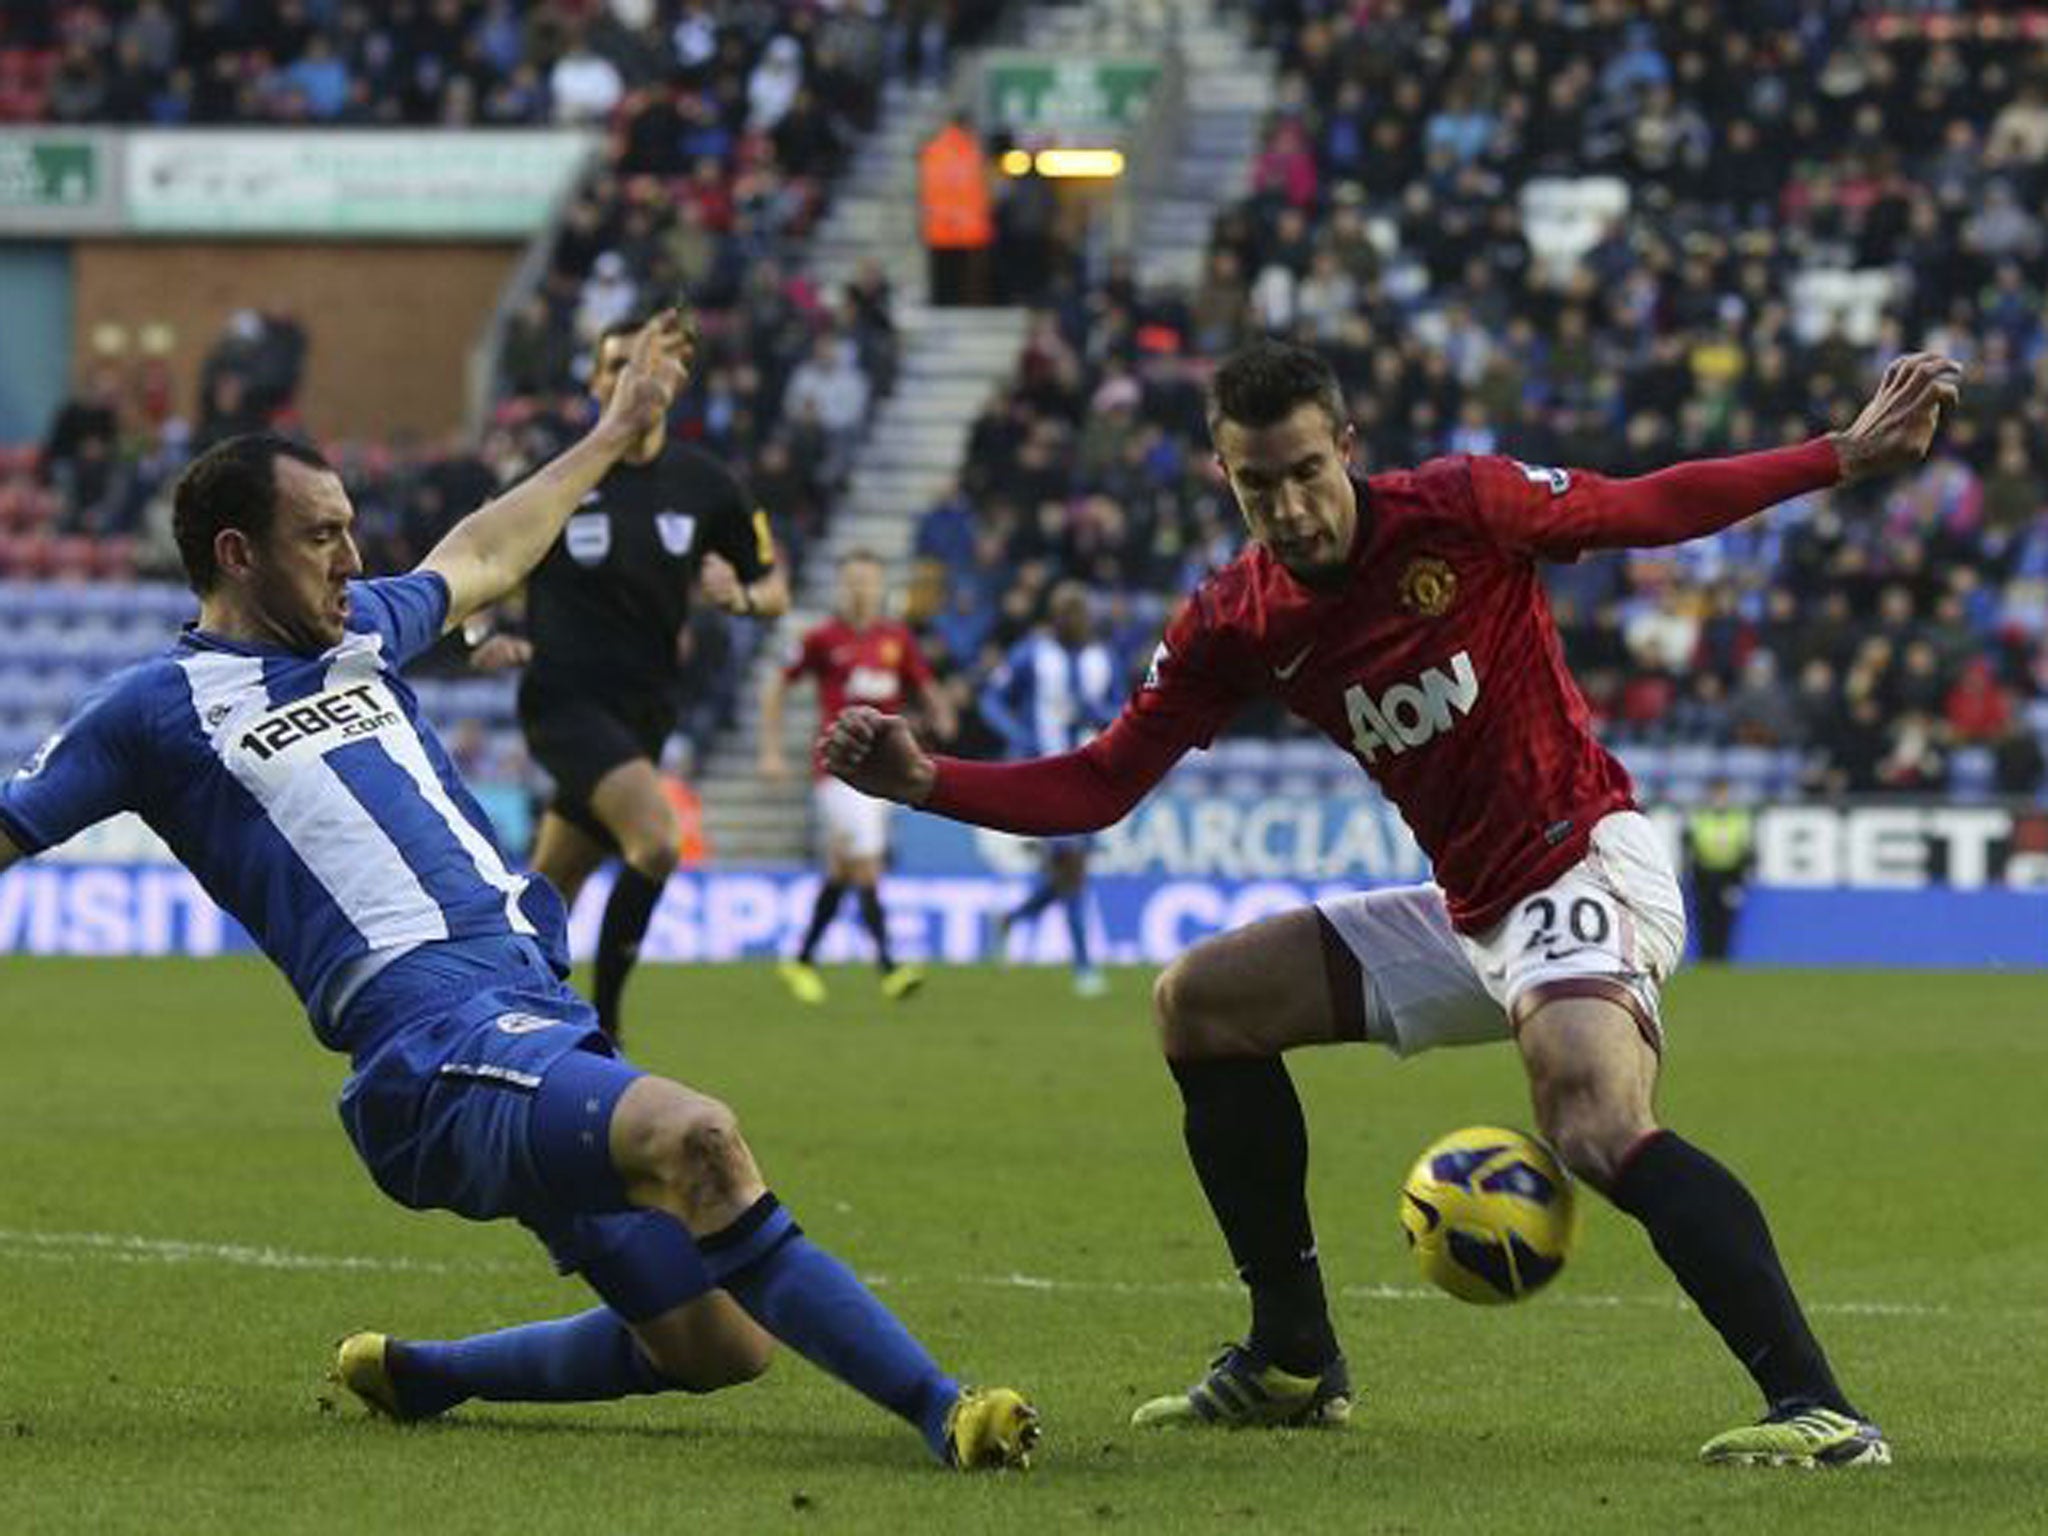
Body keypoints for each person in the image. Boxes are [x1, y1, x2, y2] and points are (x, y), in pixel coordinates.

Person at [826, 338, 1962, 1469]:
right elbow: (1099, 781)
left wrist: (1840, 457)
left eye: (1303, 471)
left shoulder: (1461, 508)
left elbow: (1646, 506)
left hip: (1581, 863)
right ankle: (1290, 1359)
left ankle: (1816, 1408)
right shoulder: (1235, 620)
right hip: (1470, 908)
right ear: (1223, 478)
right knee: (1200, 1004)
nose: (1286, 506)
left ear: (1346, 451)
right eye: (1253, 483)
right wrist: (930, 782)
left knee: (1590, 1121)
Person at [0, 313, 1037, 1472]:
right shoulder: (157, 708)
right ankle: (949, 1413)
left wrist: (612, 433)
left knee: (717, 1342)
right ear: (236, 554)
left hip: (534, 1009)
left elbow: (487, 551)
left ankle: (427, 1376)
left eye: (352, 531)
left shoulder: (359, 635)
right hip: (431, 1047)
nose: (353, 560)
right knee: (698, 1141)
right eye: (322, 537)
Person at [493, 311, 790, 1046]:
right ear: (597, 384)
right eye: (617, 363)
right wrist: (477, 636)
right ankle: (607, 1031)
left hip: (648, 713)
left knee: (547, 889)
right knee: (657, 843)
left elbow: (774, 586)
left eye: (647, 362)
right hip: (564, 701)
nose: (634, 375)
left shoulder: (708, 485)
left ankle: (494, 1011)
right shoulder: (561, 480)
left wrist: (742, 597)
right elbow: (490, 563)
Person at [758, 550, 954, 1005]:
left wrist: (940, 711)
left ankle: (801, 959)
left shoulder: (896, 639)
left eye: (867, 581)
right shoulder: (822, 638)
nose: (860, 589)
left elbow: (923, 683)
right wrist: (770, 749)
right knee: (866, 863)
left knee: (845, 867)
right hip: (839, 770)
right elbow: (776, 685)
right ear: (840, 586)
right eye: (852, 581)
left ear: (881, 586)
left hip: (885, 772)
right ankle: (890, 966)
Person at [979, 580, 1119, 996]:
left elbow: (1122, 709)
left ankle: (1010, 920)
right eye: (1064, 612)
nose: (1072, 620)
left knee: (1067, 874)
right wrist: (1019, 734)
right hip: (1046, 773)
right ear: (1052, 617)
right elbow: (991, 700)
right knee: (1072, 866)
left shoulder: (1102, 658)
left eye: (1078, 612)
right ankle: (1084, 969)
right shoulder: (1032, 653)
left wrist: (1103, 715)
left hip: (1090, 773)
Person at [917, 111, 993, 307]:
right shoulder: (972, 150)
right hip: (966, 225)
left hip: (939, 223)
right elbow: (979, 188)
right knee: (962, 274)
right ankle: (962, 303)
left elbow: (926, 188)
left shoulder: (933, 149)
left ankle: (941, 302)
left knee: (942, 273)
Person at [1686, 778, 1755, 962]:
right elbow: (1690, 850)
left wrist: (1739, 883)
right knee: (1704, 923)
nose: (1719, 799)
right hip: (1704, 878)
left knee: (1725, 923)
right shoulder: (1699, 817)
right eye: (1716, 794)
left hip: (1728, 878)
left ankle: (1721, 961)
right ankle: (1705, 960)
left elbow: (1747, 853)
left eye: (1723, 794)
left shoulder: (1739, 819)